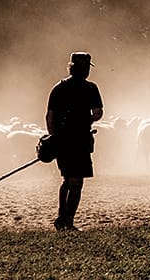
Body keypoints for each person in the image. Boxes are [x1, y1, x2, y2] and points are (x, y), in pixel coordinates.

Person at [45, 52, 103, 231]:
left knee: (67, 179)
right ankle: (68, 221)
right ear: (85, 69)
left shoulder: (59, 88)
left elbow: (50, 116)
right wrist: (88, 121)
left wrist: (54, 136)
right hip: (81, 141)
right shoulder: (91, 88)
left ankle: (62, 217)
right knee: (76, 182)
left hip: (62, 141)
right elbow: (98, 113)